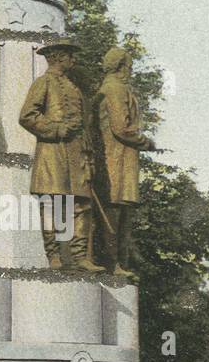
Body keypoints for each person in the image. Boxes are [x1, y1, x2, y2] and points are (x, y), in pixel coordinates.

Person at [18, 39, 103, 271]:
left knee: (81, 205)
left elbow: (83, 126)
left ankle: (80, 257)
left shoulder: (74, 88)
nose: (73, 60)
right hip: (52, 153)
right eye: (69, 55)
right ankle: (53, 255)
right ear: (57, 57)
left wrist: (88, 155)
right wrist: (56, 129)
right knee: (51, 204)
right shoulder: (43, 82)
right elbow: (27, 116)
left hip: (76, 154)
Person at [94, 47, 155, 277]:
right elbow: (121, 128)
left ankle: (118, 262)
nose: (130, 72)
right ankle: (113, 264)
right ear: (120, 68)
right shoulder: (115, 89)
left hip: (119, 160)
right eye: (129, 67)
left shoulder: (112, 88)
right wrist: (144, 141)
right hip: (116, 161)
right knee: (114, 213)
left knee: (119, 213)